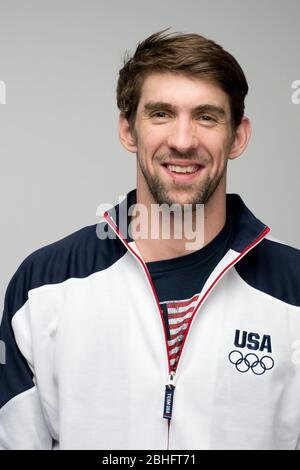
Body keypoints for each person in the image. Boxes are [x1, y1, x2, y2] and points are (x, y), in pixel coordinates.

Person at [1, 28, 300, 451]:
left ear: (237, 137)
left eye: (206, 116)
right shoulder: (45, 285)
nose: (182, 140)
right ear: (128, 130)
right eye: (160, 114)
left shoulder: (293, 290)